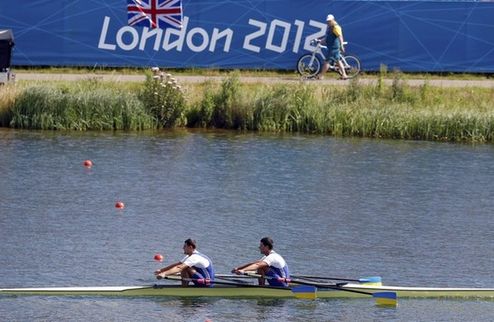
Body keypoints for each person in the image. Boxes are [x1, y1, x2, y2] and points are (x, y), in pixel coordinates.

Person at [316, 14, 348, 80]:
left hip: (334, 47)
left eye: (329, 21)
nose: (328, 22)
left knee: (327, 61)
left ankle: (321, 75)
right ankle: (344, 75)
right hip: (331, 47)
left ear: (333, 20)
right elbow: (327, 38)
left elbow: (340, 36)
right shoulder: (330, 27)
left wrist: (341, 46)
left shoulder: (336, 27)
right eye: (327, 21)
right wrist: (320, 40)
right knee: (338, 61)